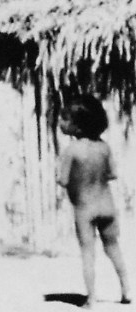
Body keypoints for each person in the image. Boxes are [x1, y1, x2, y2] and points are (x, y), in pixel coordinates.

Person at [57, 95, 131, 308]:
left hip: (85, 208)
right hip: (107, 205)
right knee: (113, 247)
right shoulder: (104, 147)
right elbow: (112, 173)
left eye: (65, 119)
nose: (61, 122)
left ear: (77, 126)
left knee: (88, 253)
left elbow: (63, 180)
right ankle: (126, 289)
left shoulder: (71, 150)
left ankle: (91, 299)